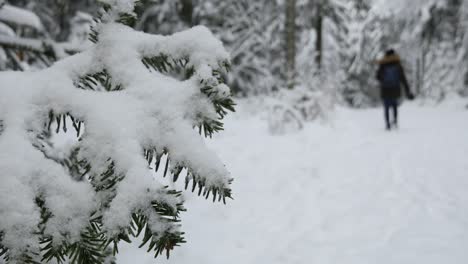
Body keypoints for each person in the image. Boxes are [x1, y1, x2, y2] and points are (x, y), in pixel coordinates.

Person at [376, 49, 415, 130]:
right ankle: (395, 121)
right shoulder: (397, 65)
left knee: (386, 107)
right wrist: (407, 91)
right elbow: (403, 79)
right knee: (394, 106)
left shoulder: (383, 64)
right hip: (395, 89)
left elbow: (378, 77)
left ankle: (387, 124)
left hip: (385, 89)